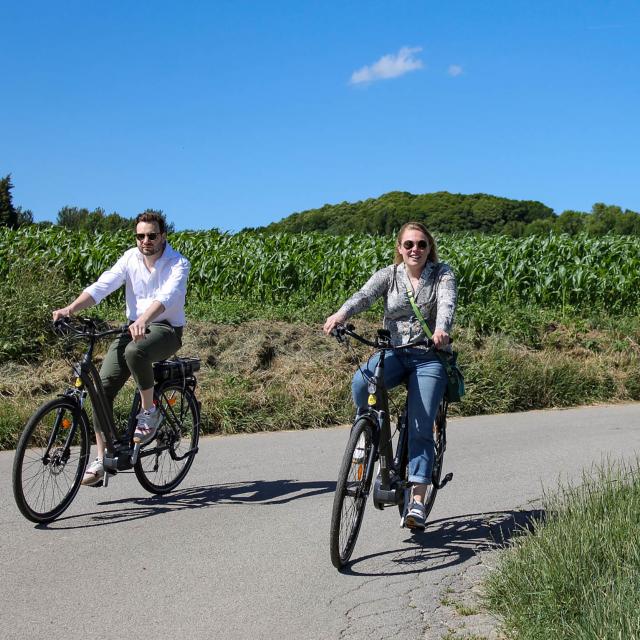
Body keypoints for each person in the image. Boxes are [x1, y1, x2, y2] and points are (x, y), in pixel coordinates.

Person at [323, 221, 457, 530]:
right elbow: (364, 295)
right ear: (399, 248)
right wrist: (340, 315)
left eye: (421, 244)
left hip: (428, 356)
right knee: (362, 381)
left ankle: (418, 500)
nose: (415, 250)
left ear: (429, 248)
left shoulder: (442, 275)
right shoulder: (390, 275)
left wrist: (442, 330)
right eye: (409, 244)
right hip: (395, 352)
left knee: (421, 425)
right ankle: (368, 434)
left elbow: (447, 304)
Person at [52, 212, 190, 486]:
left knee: (134, 352)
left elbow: (168, 297)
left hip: (165, 330)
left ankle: (149, 412)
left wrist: (143, 319)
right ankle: (103, 458)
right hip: (133, 327)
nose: (145, 241)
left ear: (163, 236)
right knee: (99, 391)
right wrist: (70, 308)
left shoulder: (178, 263)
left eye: (151, 235)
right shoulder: (130, 258)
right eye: (140, 236)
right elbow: (102, 286)